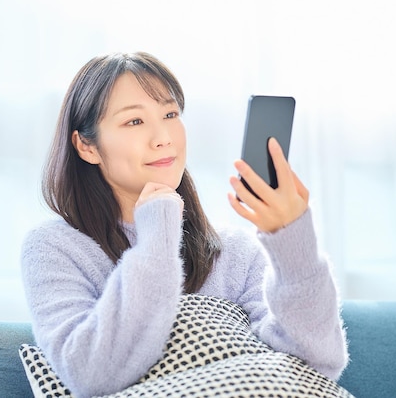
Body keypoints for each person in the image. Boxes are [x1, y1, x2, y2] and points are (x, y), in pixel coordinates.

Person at [20, 51, 348, 397]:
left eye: (170, 114)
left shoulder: (234, 251)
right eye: (134, 121)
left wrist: (292, 242)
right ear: (87, 146)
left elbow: (316, 367)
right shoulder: (53, 248)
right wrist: (158, 232)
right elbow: (90, 374)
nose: (163, 137)